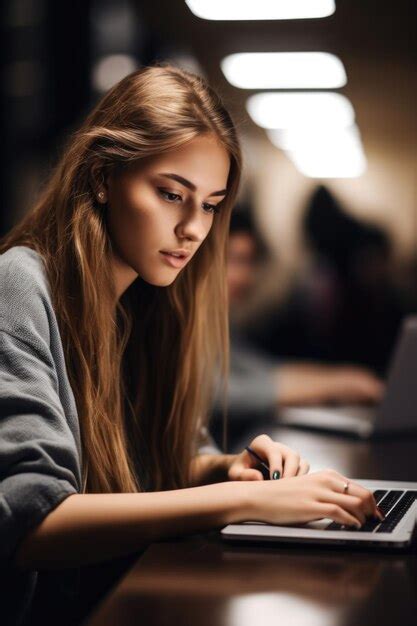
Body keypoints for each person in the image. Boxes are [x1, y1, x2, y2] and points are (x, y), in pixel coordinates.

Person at [0, 64, 382, 622]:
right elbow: (33, 526)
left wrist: (227, 469)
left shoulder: (149, 301)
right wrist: (250, 500)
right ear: (103, 177)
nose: (194, 229)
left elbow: (158, 463)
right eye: (171, 194)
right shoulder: (19, 284)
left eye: (209, 204)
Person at [210, 209, 384, 431]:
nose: (246, 276)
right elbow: (219, 394)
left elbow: (259, 370)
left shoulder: (218, 324)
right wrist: (336, 385)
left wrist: (343, 379)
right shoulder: (181, 324)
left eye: (249, 262)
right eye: (234, 260)